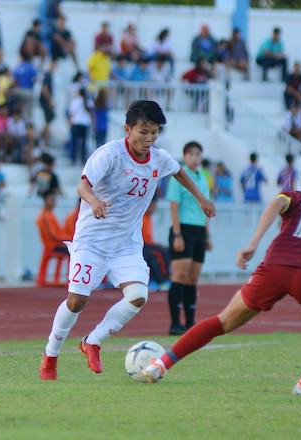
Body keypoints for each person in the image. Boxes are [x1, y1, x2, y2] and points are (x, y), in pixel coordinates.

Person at [144, 148, 301, 398]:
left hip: (276, 266)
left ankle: (160, 364)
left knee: (223, 321)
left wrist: (253, 243)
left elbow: (277, 202)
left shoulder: (296, 196)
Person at [39, 100, 216, 380]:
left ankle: (92, 341)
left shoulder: (158, 158)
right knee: (76, 302)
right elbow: (82, 185)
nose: (148, 139)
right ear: (127, 129)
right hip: (92, 241)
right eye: (143, 132)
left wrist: (201, 197)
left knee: (138, 296)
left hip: (126, 244)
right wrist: (95, 201)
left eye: (154, 132)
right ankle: (51, 354)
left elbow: (178, 171)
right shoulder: (109, 154)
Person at [166, 141, 212, 335]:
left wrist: (208, 235)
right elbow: (174, 207)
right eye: (191, 154)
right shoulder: (178, 177)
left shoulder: (203, 178)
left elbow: (206, 208)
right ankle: (175, 323)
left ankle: (190, 323)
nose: (195, 158)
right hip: (183, 229)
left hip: (199, 231)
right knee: (180, 276)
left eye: (198, 155)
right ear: (184, 157)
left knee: (193, 278)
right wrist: (177, 234)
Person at [142, 197, 171, 291]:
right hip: (141, 246)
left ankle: (163, 279)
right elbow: (144, 239)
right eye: (154, 205)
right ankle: (161, 280)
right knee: (157, 253)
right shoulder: (142, 217)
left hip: (147, 245)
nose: (155, 208)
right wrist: (156, 244)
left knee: (164, 250)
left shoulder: (148, 218)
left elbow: (148, 238)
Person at [36, 189, 72, 257]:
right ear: (46, 200)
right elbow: (54, 235)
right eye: (53, 200)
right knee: (73, 250)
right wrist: (69, 238)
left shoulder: (48, 214)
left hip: (55, 244)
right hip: (53, 245)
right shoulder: (45, 216)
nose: (54, 202)